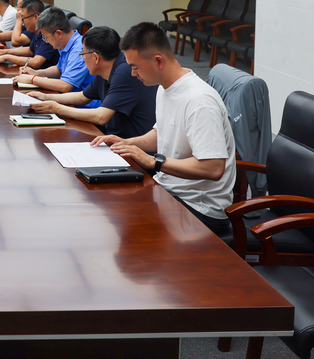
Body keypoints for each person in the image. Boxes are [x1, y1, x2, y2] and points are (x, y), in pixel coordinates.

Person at [91, 22, 236, 235]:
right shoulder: (164, 88)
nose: (132, 74)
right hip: (168, 190)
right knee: (106, 203)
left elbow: (212, 168)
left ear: (158, 61)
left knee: (123, 225)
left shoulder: (200, 101)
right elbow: (161, 134)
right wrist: (126, 143)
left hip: (199, 208)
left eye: (135, 67)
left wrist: (153, 162)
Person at [26, 26, 157, 138]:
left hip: (132, 146)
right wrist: (46, 97)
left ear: (95, 57)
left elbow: (101, 116)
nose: (83, 59)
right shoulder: (105, 69)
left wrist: (57, 108)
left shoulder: (124, 73)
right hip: (113, 137)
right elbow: (83, 97)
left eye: (83, 54)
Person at [11, 7, 97, 105]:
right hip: (66, 100)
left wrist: (32, 79)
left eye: (46, 37)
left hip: (82, 107)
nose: (46, 41)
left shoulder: (79, 49)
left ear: (58, 33)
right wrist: (37, 73)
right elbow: (59, 69)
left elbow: (65, 86)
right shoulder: (65, 45)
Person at [0, 0, 58, 70]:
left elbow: (36, 62)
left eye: (23, 18)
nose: (22, 22)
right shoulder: (37, 32)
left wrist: (7, 57)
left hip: (45, 75)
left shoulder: (48, 33)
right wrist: (5, 52)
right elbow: (30, 51)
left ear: (36, 17)